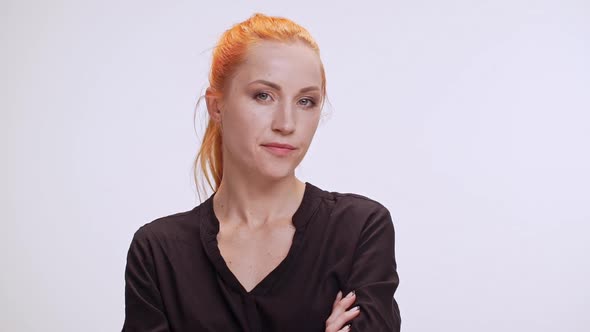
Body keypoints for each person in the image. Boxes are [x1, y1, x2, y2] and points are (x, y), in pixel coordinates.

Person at [122, 13, 401, 332]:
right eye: (263, 96)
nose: (286, 123)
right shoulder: (159, 252)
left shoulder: (359, 230)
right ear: (216, 106)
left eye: (306, 101)